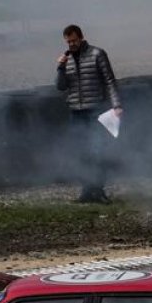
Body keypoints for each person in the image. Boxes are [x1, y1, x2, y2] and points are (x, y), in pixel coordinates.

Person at [55, 24, 123, 204]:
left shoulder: (97, 54)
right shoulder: (66, 59)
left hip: (96, 110)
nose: (72, 44)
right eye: (68, 41)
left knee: (97, 151)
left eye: (74, 40)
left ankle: (98, 190)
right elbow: (61, 86)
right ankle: (86, 189)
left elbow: (109, 80)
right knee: (81, 152)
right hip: (76, 112)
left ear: (81, 37)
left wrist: (116, 105)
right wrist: (60, 67)